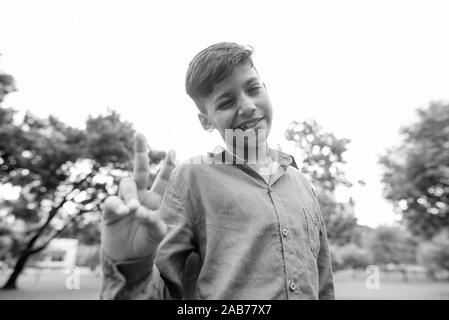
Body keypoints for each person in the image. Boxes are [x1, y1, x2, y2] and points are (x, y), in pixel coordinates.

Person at [100, 42, 335, 300]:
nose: (246, 106)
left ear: (265, 89)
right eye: (226, 102)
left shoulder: (302, 184)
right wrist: (132, 267)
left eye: (253, 88)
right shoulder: (192, 178)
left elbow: (323, 283)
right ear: (205, 121)